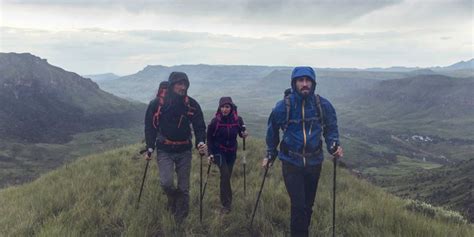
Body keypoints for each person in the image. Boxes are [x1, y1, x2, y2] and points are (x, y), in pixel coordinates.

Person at [263, 66, 343, 237]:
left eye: (308, 81)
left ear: (313, 83)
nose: (304, 84)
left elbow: (331, 129)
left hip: (314, 162)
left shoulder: (323, 105)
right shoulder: (283, 107)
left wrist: (333, 145)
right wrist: (270, 154)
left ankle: (301, 232)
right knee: (298, 206)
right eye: (301, 81)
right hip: (291, 162)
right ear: (294, 83)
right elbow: (272, 130)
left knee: (308, 206)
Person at [144, 71, 208, 223]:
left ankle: (181, 218)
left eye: (185, 84)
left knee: (184, 187)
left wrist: (200, 142)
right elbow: (150, 127)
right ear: (172, 85)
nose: (183, 87)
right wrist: (149, 147)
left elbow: (199, 125)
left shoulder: (191, 104)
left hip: (184, 150)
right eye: (179, 84)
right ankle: (172, 198)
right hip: (164, 149)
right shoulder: (158, 104)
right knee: (166, 183)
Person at [207, 97, 248, 214]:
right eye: (222, 107)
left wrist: (244, 134)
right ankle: (226, 204)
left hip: (232, 152)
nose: (224, 109)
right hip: (218, 151)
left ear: (231, 107)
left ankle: (227, 202)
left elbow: (241, 133)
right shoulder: (215, 121)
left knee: (226, 177)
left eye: (227, 107)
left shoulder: (238, 120)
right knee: (225, 175)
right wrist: (210, 154)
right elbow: (209, 139)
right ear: (219, 108)